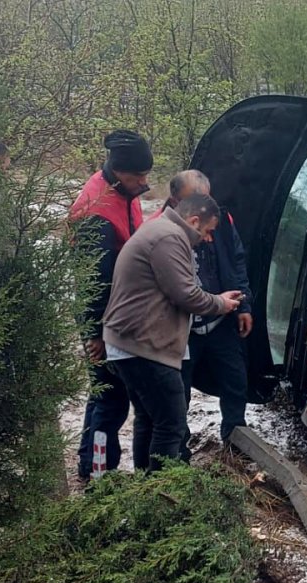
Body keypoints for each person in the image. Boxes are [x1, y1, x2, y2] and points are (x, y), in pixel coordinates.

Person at [101, 193, 243, 471]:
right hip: (144, 347)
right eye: (207, 231)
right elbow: (186, 294)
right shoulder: (170, 237)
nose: (208, 238)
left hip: (127, 343)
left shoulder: (158, 229)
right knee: (172, 425)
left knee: (149, 420)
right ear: (193, 221)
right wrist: (221, 304)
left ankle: (147, 490)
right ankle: (162, 494)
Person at [70, 130, 154, 481]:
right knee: (111, 400)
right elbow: (93, 283)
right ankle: (99, 473)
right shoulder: (97, 213)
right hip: (104, 320)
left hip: (116, 315)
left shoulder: (121, 191)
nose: (144, 182)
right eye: (139, 176)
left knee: (103, 393)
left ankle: (89, 460)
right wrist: (97, 334)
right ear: (120, 171)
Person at [165, 171, 254, 443]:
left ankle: (234, 439)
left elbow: (236, 262)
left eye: (206, 199)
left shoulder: (221, 220)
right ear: (175, 200)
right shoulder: (163, 230)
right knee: (178, 393)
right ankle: (177, 456)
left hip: (220, 319)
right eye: (194, 201)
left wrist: (243, 305)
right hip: (183, 326)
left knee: (236, 380)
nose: (202, 209)